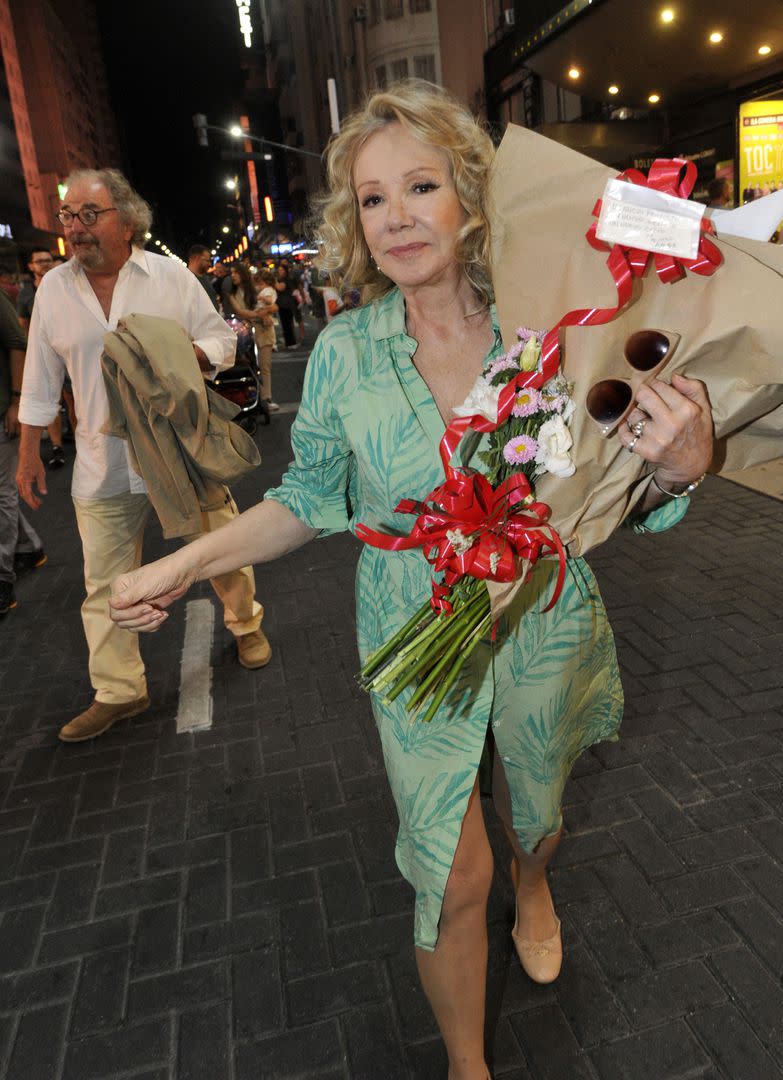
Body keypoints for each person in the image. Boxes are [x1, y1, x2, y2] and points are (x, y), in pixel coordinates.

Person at [108, 83, 714, 1080]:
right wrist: (187, 559)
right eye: (373, 197)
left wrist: (681, 467)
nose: (396, 216)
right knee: (448, 866)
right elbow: (304, 498)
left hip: (538, 615)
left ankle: (538, 876)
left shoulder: (552, 329)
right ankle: (467, 1066)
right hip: (409, 624)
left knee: (538, 811)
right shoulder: (346, 352)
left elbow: (612, 491)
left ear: (471, 199)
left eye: (420, 186)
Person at [16, 167, 272, 745]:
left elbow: (221, 341)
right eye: (68, 216)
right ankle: (119, 690)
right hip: (101, 462)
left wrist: (181, 359)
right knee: (103, 582)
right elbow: (39, 377)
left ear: (126, 220)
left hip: (179, 451)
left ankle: (246, 625)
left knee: (221, 548)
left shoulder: (168, 277)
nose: (76, 228)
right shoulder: (54, 289)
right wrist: (29, 452)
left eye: (89, 215)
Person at [0, 291, 44, 617]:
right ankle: (30, 545)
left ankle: (2, 580)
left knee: (3, 495)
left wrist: (16, 402)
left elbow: (18, 342)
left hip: (2, 412)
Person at [17, 248, 66, 470]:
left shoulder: (65, 284)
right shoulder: (26, 294)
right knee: (51, 400)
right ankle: (57, 446)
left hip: (69, 352)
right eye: (40, 261)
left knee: (75, 400)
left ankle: (78, 435)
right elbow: (23, 323)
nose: (45, 264)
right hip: (45, 356)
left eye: (48, 260)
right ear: (31, 266)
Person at [253, 268, 279, 410]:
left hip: (263, 330)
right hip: (258, 328)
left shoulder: (268, 292)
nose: (258, 287)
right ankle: (263, 398)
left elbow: (273, 305)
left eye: (259, 283)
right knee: (263, 367)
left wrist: (265, 311)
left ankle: (266, 398)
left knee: (264, 366)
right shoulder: (264, 291)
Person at [186, 244, 219, 309]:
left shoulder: (206, 278)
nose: (210, 264)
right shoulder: (185, 279)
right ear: (197, 258)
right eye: (207, 261)